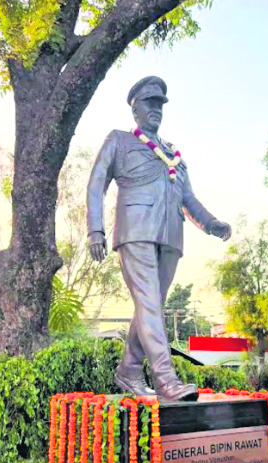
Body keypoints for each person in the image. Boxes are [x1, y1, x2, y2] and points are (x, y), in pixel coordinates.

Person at [87, 76, 231, 401]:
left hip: (170, 238)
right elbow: (96, 184)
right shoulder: (119, 141)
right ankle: (166, 380)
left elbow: (189, 199)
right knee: (151, 304)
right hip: (135, 232)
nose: (156, 109)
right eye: (149, 103)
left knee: (149, 307)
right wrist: (95, 229)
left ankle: (128, 371)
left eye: (160, 105)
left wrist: (211, 224)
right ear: (135, 107)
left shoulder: (174, 155)